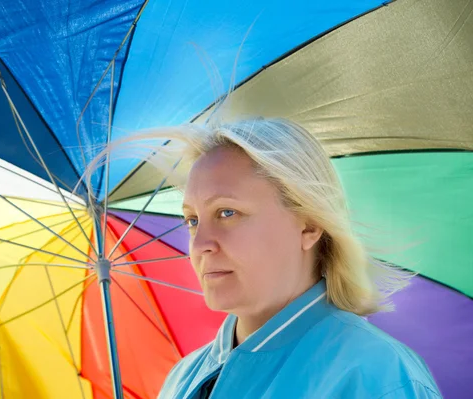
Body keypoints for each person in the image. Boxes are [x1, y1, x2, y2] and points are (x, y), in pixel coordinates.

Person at [89, 117, 441, 398]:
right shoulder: (182, 379)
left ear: (310, 225)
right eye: (193, 220)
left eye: (227, 213)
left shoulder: (376, 377)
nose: (200, 245)